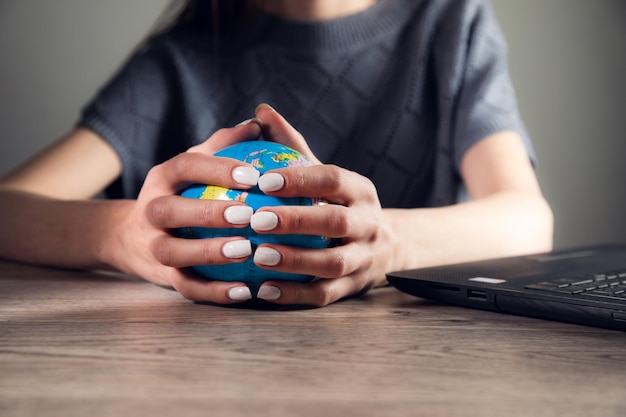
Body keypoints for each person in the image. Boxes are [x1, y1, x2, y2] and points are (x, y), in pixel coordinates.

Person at [0, 0, 553, 307]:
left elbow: (527, 221)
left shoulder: (451, 25)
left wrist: (384, 244)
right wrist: (125, 234)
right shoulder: (181, 59)